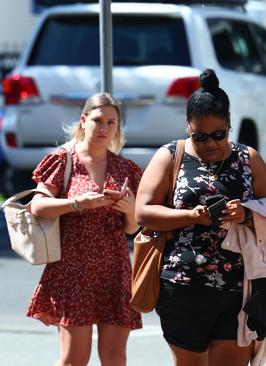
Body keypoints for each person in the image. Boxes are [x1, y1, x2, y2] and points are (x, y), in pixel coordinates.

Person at [136, 69, 266, 366]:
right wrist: (190, 216)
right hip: (182, 290)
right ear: (187, 127)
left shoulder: (249, 159)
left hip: (239, 291)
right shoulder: (171, 155)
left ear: (229, 123)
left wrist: (246, 214)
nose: (210, 143)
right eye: (200, 136)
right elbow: (143, 212)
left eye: (219, 134)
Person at [26, 93, 142, 366]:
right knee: (73, 359)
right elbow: (37, 206)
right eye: (98, 120)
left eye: (111, 123)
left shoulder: (125, 168)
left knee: (115, 358)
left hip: (114, 271)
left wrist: (129, 209)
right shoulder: (64, 159)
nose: (104, 128)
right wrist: (78, 203)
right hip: (72, 270)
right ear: (83, 121)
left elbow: (132, 228)